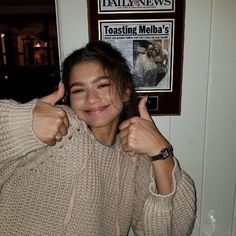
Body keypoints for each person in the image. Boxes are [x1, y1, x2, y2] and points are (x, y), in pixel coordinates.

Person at [0, 41, 196, 236]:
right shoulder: (60, 129)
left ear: (126, 92)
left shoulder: (135, 160)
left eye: (102, 85)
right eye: (79, 90)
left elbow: (171, 231)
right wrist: (26, 122)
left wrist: (160, 152)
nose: (91, 98)